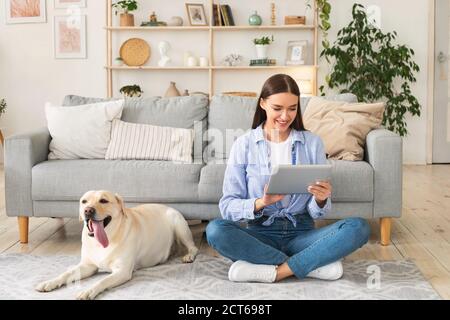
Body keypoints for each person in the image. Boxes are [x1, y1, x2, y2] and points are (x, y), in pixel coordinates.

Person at [206, 74, 370, 283]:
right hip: (260, 234)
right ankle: (309, 265)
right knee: (215, 230)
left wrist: (321, 198)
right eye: (278, 108)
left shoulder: (312, 143)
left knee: (358, 227)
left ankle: (278, 270)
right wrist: (261, 202)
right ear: (263, 103)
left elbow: (316, 211)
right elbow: (228, 207)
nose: (285, 116)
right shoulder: (243, 144)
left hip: (303, 234)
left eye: (292, 108)